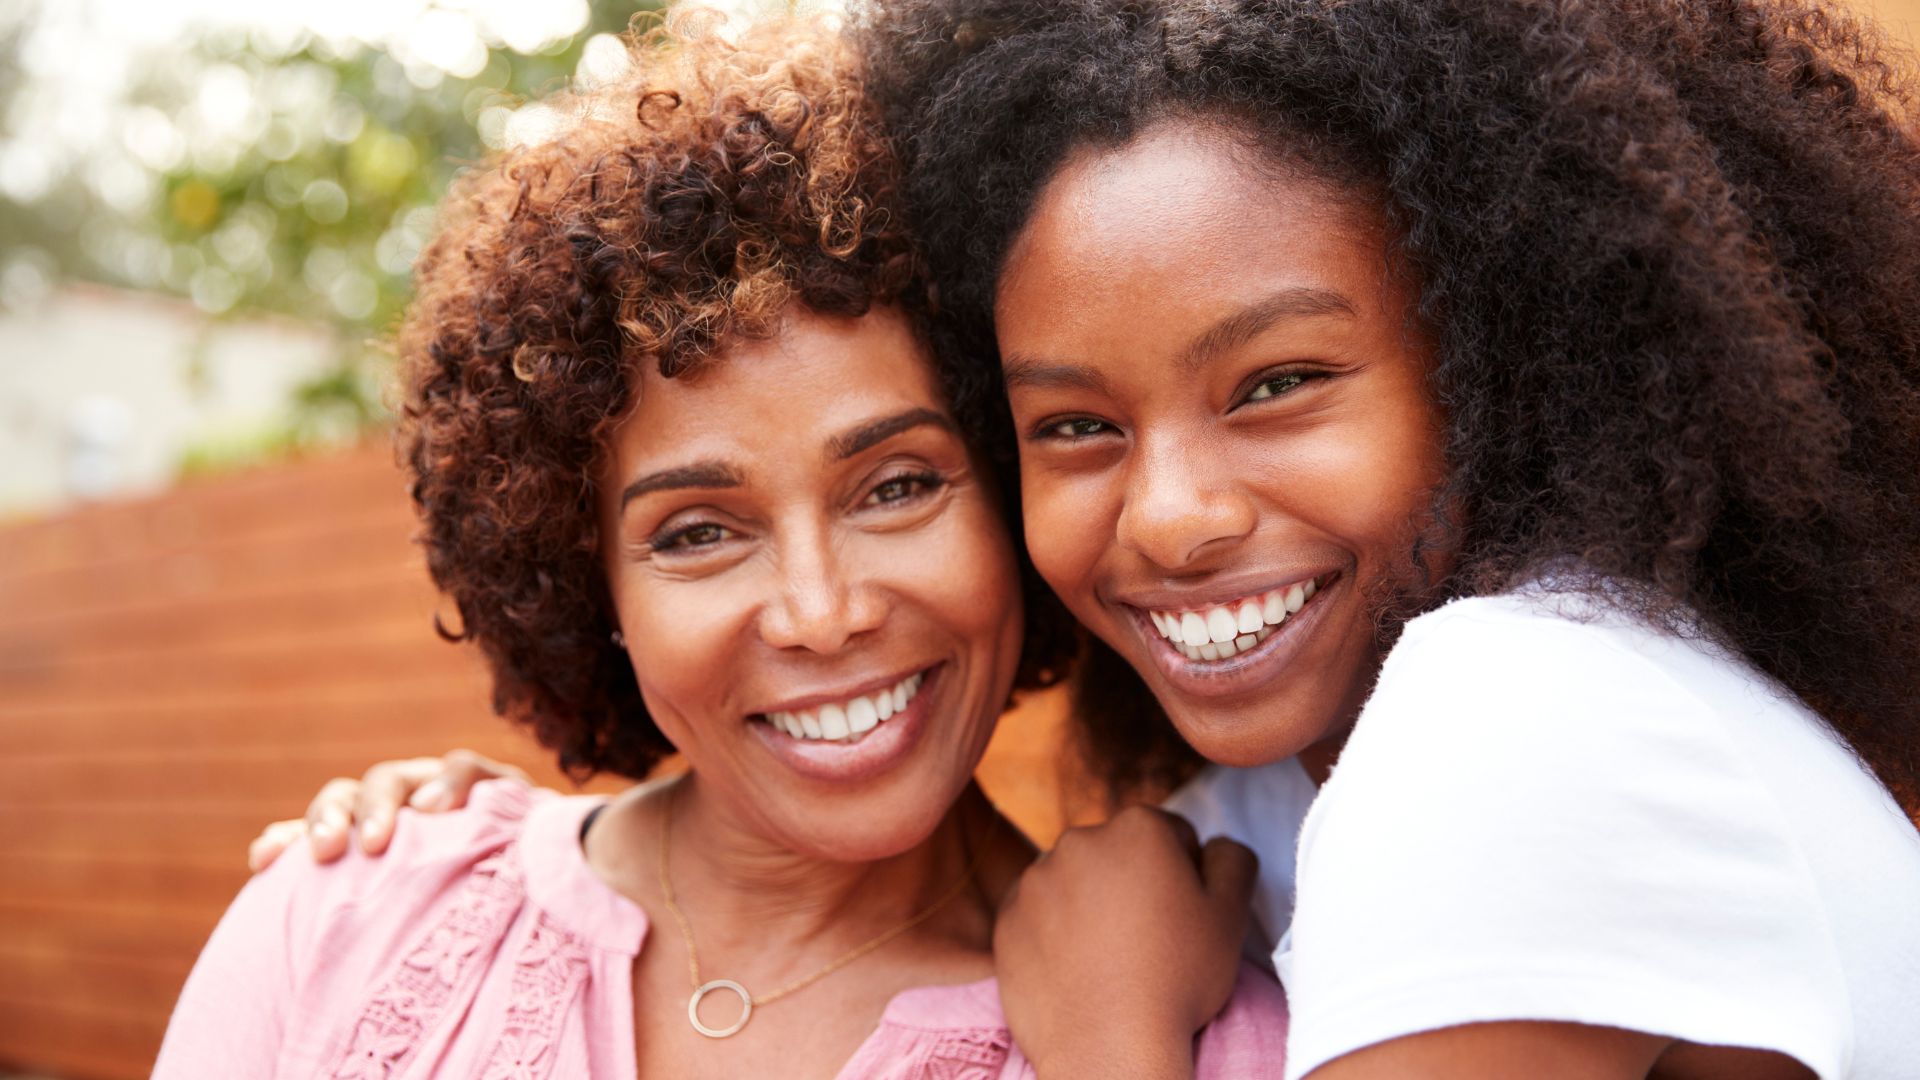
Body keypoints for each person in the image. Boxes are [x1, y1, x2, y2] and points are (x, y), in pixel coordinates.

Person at [257, 0, 1920, 1076]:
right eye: (1076, 428)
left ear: (1503, 362)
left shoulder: (1516, 721)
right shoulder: (1269, 815)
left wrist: (1113, 1047)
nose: (1173, 514)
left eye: (1276, 382)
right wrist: (452, 851)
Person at [153, 16, 1286, 1079]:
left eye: (895, 487)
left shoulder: (1187, 1030)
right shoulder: (350, 913)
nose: (821, 610)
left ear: (1010, 497)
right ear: (585, 583)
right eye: (697, 533)